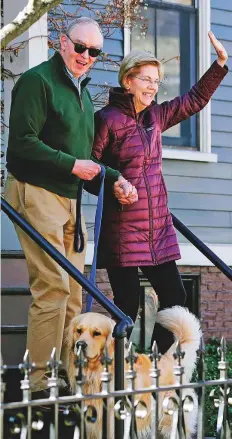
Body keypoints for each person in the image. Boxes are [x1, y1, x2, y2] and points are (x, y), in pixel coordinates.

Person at [92, 31, 228, 355]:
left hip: (158, 229)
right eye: (146, 79)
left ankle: (154, 369)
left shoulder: (156, 117)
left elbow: (193, 100)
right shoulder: (106, 120)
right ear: (128, 80)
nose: (153, 86)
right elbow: (90, 168)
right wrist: (113, 184)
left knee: (174, 298)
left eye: (157, 80)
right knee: (127, 306)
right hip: (123, 229)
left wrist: (220, 64)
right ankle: (116, 377)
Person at [4, 17, 103, 398]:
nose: (86, 57)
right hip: (37, 191)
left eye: (94, 52)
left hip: (71, 199)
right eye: (80, 47)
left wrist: (115, 178)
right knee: (53, 289)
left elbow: (83, 157)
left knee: (75, 292)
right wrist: (72, 165)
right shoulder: (38, 81)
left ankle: (68, 378)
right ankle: (40, 384)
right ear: (62, 43)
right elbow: (22, 145)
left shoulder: (83, 93)